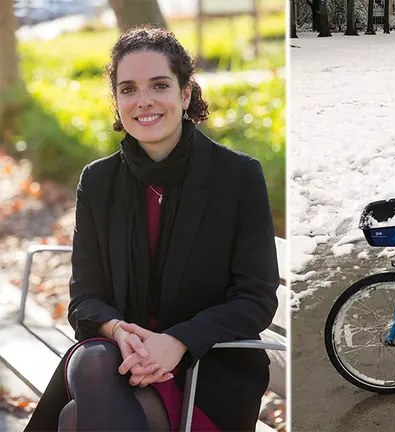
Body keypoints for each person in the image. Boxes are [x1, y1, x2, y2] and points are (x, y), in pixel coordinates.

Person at [25, 27, 279, 431]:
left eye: (159, 85)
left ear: (184, 92)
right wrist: (118, 331)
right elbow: (85, 299)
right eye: (127, 89)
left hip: (208, 369)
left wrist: (177, 342)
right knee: (91, 363)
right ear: (117, 101)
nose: (143, 101)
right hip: (120, 361)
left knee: (76, 419)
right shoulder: (98, 182)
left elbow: (256, 299)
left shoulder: (237, 177)